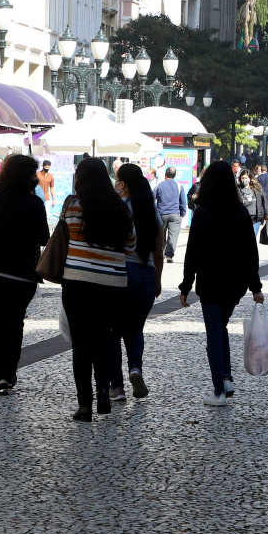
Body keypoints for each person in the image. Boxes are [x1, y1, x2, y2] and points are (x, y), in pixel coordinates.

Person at [180, 161, 263, 406]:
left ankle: (219, 391)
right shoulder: (240, 213)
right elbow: (251, 252)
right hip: (234, 284)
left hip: (210, 281)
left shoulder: (203, 213)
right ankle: (226, 378)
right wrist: (255, 286)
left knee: (214, 334)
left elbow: (192, 253)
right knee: (221, 327)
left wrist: (186, 285)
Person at [0, 155, 50, 395]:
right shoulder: (34, 203)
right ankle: (9, 373)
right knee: (15, 324)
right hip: (23, 274)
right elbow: (44, 237)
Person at [62, 158, 135, 421]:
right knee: (104, 340)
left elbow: (65, 238)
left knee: (81, 345)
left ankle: (84, 406)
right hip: (112, 285)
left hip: (77, 283)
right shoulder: (120, 209)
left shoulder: (71, 205)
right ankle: (104, 391)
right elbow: (130, 247)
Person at [108, 164, 164, 401]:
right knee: (135, 329)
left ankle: (117, 387)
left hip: (120, 273)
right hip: (146, 275)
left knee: (112, 331)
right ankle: (135, 369)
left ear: (122, 184)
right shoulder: (151, 210)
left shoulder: (116, 208)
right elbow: (158, 250)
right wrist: (158, 280)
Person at [154, 167, 186, 263]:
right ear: (175, 175)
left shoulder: (159, 185)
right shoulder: (179, 186)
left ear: (165, 174)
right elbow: (183, 202)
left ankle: (160, 254)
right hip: (175, 214)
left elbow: (151, 199)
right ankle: (169, 255)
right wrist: (182, 213)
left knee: (160, 235)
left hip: (161, 214)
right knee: (173, 236)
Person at [239, 169, 268, 236]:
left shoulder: (256, 188)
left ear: (250, 178)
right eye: (242, 178)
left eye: (246, 178)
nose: (244, 179)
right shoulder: (238, 189)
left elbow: (264, 200)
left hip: (255, 218)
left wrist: (267, 214)